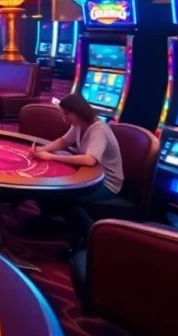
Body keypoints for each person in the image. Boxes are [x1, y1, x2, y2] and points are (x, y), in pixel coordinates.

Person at [32, 94, 124, 253]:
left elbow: (90, 160)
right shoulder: (79, 124)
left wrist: (52, 156)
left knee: (67, 197)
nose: (63, 117)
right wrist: (42, 150)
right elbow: (64, 141)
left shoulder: (99, 129)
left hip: (106, 182)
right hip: (88, 176)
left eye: (65, 114)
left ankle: (88, 238)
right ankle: (46, 218)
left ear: (76, 112)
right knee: (46, 183)